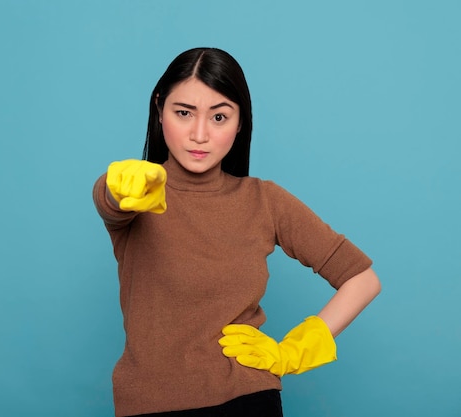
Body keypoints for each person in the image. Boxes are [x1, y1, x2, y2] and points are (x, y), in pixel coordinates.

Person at [92, 47, 381, 417]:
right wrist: (119, 187)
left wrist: (293, 350)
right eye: (184, 113)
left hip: (248, 398)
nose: (199, 134)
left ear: (240, 122)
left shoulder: (265, 201)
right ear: (159, 110)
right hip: (150, 403)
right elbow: (109, 199)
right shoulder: (139, 192)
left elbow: (362, 279)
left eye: (219, 117)